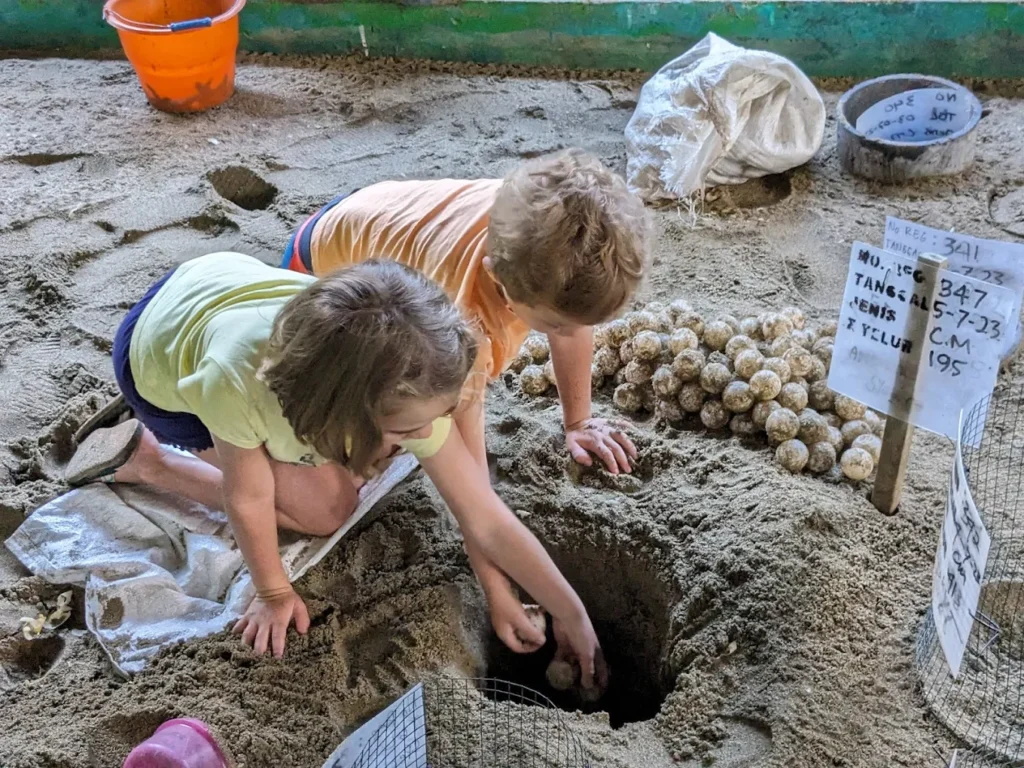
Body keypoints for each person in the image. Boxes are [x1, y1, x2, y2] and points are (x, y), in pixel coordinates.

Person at [66, 252, 606, 691]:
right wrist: (274, 592)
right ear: (347, 419)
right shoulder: (237, 385)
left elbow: (485, 517)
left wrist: (570, 615)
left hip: (215, 282)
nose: (428, 438)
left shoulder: (398, 376)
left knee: (343, 482)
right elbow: (246, 498)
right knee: (324, 511)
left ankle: (313, 453)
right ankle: (148, 458)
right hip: (157, 360)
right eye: (407, 433)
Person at [282, 149, 649, 646]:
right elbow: (472, 490)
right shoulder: (461, 332)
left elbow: (571, 325)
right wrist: (496, 591)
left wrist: (578, 421)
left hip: (368, 215)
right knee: (340, 477)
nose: (567, 332)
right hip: (317, 272)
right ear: (497, 278)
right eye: (553, 324)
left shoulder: (538, 226)